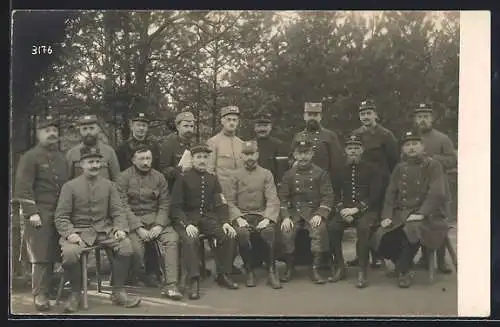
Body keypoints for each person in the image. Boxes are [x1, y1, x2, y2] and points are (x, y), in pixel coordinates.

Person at [54, 146, 141, 312]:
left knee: (126, 246)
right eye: (90, 162)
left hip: (104, 230)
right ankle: (75, 294)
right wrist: (70, 233)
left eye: (97, 162)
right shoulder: (69, 187)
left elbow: (118, 211)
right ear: (81, 164)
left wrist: (120, 228)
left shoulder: (109, 185)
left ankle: (118, 290)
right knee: (70, 254)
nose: (94, 165)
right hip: (79, 231)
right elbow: (61, 216)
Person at [371, 130, 449, 288]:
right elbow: (390, 194)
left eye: (415, 144)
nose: (411, 148)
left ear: (422, 147)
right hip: (402, 213)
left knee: (412, 231)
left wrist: (421, 214)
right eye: (407, 145)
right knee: (380, 235)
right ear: (402, 149)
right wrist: (386, 215)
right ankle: (403, 262)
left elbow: (437, 192)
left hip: (430, 214)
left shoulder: (433, 165)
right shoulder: (400, 168)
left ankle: (403, 270)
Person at [13, 115, 69, 312]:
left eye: (54, 130)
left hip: (60, 212)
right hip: (40, 212)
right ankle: (40, 294)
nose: (52, 133)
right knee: (41, 255)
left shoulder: (62, 158)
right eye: (47, 130)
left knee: (56, 251)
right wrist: (31, 212)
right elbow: (22, 188)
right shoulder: (30, 157)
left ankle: (52, 288)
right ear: (38, 134)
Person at [170, 144, 239, 300]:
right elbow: (175, 207)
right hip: (186, 219)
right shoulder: (183, 178)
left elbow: (220, 203)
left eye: (205, 157)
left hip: (207, 218)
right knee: (190, 239)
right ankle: (193, 280)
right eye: (198, 157)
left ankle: (223, 273)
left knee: (228, 235)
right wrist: (186, 224)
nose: (202, 160)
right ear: (192, 159)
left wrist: (225, 222)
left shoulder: (212, 178)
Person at [116, 147, 182, 300]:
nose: (146, 162)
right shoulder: (123, 178)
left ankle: (171, 285)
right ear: (133, 160)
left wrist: (159, 224)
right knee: (134, 249)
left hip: (156, 220)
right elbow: (122, 205)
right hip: (134, 222)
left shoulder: (159, 177)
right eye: (141, 159)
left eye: (148, 159)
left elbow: (165, 203)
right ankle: (141, 275)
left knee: (172, 239)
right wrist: (138, 228)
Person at [328, 135, 384, 288]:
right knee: (332, 228)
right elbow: (334, 193)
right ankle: (340, 266)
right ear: (345, 150)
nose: (353, 151)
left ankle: (362, 270)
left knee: (364, 228)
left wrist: (357, 209)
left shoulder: (373, 169)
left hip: (366, 210)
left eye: (356, 148)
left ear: (362, 150)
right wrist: (341, 210)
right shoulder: (338, 169)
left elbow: (376, 194)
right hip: (345, 210)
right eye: (350, 148)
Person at [349, 99, 399, 268]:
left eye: (369, 113)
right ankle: (360, 255)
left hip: (382, 183)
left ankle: (377, 255)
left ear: (375, 115)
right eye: (362, 114)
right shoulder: (355, 134)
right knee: (361, 219)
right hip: (363, 183)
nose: (366, 117)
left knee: (375, 220)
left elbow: (394, 161)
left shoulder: (386, 135)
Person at [278, 136, 334, 284]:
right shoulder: (289, 175)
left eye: (306, 153)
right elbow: (283, 197)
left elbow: (328, 196)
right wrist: (285, 216)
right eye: (300, 153)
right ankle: (289, 267)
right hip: (294, 213)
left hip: (313, 212)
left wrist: (321, 214)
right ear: (295, 155)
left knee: (318, 230)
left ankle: (315, 268)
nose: (303, 156)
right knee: (286, 231)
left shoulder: (320, 173)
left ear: (312, 154)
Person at [226, 140, 282, 289]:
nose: (250, 157)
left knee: (269, 231)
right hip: (242, 215)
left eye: (252, 154)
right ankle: (249, 270)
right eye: (246, 154)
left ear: (257, 154)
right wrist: (237, 218)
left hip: (261, 214)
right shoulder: (234, 175)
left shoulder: (266, 174)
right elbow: (230, 201)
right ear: (241, 156)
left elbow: (272, 198)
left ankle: (271, 270)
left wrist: (267, 218)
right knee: (242, 234)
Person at [413, 103, 456, 274]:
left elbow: (452, 160)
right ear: (415, 120)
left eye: (425, 116)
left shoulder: (442, 138)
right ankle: (424, 257)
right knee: (423, 221)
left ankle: (441, 260)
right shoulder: (412, 139)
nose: (422, 120)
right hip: (418, 188)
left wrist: (431, 157)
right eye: (419, 117)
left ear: (432, 118)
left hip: (439, 187)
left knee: (438, 221)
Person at [206, 105, 245, 274]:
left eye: (234, 120)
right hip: (220, 196)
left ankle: (231, 265)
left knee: (238, 230)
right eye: (228, 119)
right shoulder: (213, 142)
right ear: (222, 121)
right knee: (222, 230)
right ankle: (223, 267)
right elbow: (209, 171)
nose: (231, 122)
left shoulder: (242, 144)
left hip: (238, 196)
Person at [290, 102, 344, 199]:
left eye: (315, 115)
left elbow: (336, 164)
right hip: (302, 184)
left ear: (321, 117)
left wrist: (333, 187)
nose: (312, 118)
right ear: (304, 116)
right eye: (309, 114)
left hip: (323, 183)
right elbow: (291, 159)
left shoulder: (330, 136)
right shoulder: (298, 136)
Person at [66, 114, 120, 181]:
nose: (88, 132)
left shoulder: (109, 152)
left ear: (98, 130)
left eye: (91, 128)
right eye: (84, 129)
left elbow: (117, 179)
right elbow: (67, 181)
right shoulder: (72, 153)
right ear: (80, 131)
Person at [158, 111, 196, 194]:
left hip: (192, 190)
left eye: (191, 126)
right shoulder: (169, 144)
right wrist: (179, 170)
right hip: (175, 190)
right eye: (185, 126)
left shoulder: (195, 145)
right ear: (178, 127)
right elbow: (163, 170)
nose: (189, 129)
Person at [252, 112, 288, 185]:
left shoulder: (279, 144)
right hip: (253, 184)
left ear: (270, 127)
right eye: (259, 126)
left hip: (272, 184)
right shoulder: (250, 144)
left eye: (265, 126)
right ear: (254, 128)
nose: (262, 129)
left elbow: (282, 169)